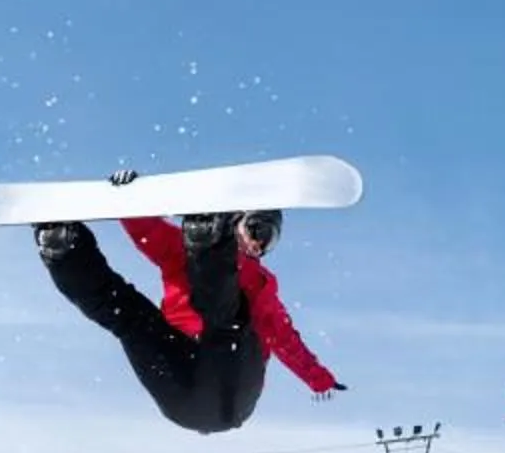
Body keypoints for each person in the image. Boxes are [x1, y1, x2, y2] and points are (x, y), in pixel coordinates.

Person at [32, 172, 340, 435]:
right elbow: (147, 231)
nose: (258, 244)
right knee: (130, 318)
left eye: (268, 241)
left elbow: (288, 342)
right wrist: (128, 198)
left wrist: (318, 378)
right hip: (181, 395)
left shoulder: (262, 285)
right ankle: (64, 250)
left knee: (226, 319)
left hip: (229, 397)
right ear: (236, 220)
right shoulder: (177, 248)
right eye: (257, 229)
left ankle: (209, 245)